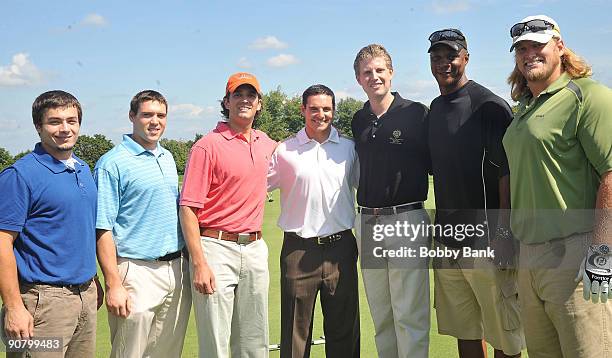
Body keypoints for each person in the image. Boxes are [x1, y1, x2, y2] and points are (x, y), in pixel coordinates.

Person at [503, 15, 612, 358]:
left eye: (538, 44)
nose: (529, 53)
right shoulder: (523, 109)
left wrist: (602, 254)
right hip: (530, 257)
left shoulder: (588, 96)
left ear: (560, 47)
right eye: (521, 48)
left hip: (576, 255)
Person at [427, 28, 524, 358]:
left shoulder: (491, 107)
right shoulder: (436, 109)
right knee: (465, 332)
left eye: (451, 56)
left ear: (466, 57)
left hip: (486, 244)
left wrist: (503, 234)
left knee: (505, 337)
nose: (444, 64)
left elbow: (506, 175)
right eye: (437, 57)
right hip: (446, 242)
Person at [179, 72, 277, 358]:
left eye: (251, 96)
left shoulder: (264, 142)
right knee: (216, 343)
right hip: (215, 248)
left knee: (254, 341)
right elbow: (188, 208)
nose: (245, 100)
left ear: (259, 104)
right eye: (238, 95)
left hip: (256, 248)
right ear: (226, 101)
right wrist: (199, 263)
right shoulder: (206, 146)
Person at [0, 90, 98, 357]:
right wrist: (14, 307)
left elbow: (80, 230)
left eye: (72, 120)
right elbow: (2, 244)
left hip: (85, 297)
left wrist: (92, 280)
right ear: (38, 127)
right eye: (55, 121)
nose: (65, 129)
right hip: (41, 304)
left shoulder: (83, 170)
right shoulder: (19, 175)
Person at [94, 90, 191, 357]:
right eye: (147, 114)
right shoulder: (111, 164)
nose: (155, 121)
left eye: (161, 115)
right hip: (135, 271)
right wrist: (113, 284)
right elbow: (103, 228)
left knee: (168, 352)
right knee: (130, 352)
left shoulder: (168, 157)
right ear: (132, 116)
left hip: (176, 269)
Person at [268, 84, 360, 358]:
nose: (321, 114)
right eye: (315, 109)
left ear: (334, 111)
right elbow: (255, 186)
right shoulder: (284, 150)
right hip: (298, 250)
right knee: (296, 334)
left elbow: (366, 187)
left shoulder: (348, 148)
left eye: (327, 109)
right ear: (303, 110)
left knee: (344, 330)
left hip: (341, 248)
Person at [351, 44, 431, 358]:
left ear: (391, 72)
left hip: (406, 219)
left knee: (409, 314)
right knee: (382, 314)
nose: (374, 77)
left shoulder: (416, 113)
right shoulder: (359, 119)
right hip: (368, 222)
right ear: (358, 79)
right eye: (367, 72)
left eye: (380, 70)